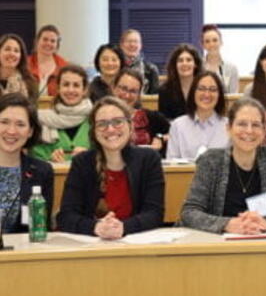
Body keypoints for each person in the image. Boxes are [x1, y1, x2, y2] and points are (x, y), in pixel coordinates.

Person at [179, 98, 266, 234]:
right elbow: (189, 212)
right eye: (242, 124)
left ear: (264, 130)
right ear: (229, 128)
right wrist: (227, 224)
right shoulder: (211, 161)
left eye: (256, 125)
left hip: (264, 243)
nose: (249, 131)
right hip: (219, 245)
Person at [56, 96, 165, 238]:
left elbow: (154, 214)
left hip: (135, 247)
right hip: (91, 248)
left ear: (130, 126)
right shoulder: (81, 163)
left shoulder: (149, 159)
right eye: (102, 124)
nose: (110, 129)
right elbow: (66, 216)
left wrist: (123, 227)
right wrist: (97, 227)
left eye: (117, 122)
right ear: (94, 131)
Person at [0, 93, 53, 233]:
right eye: (4, 122)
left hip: (22, 252)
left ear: (30, 131)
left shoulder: (42, 171)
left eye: (20, 124)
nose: (11, 131)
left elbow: (41, 228)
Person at [32, 65, 93, 162]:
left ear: (84, 90)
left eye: (76, 85)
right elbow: (35, 156)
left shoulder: (94, 120)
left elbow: (104, 154)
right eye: (66, 84)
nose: (70, 90)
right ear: (58, 88)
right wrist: (50, 158)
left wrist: (89, 155)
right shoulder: (43, 120)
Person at [166, 71, 228, 161]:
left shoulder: (229, 126)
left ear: (219, 95)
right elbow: (171, 165)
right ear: (193, 92)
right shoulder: (178, 126)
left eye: (213, 89)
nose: (207, 94)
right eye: (201, 89)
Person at [112, 69, 169, 153]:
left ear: (138, 95)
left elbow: (177, 133)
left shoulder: (151, 117)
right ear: (114, 88)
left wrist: (160, 138)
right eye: (123, 88)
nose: (127, 95)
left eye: (133, 91)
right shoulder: (100, 117)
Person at [158, 43, 203, 120]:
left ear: (195, 64)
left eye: (188, 60)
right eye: (180, 60)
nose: (184, 63)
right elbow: (165, 121)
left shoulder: (204, 88)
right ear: (175, 65)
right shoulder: (165, 90)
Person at [27, 24, 68, 97]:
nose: (48, 43)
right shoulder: (25, 64)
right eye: (45, 39)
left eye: (52, 41)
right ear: (37, 41)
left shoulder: (65, 67)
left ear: (57, 45)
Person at [119, 29, 160, 94]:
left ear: (140, 45)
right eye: (129, 41)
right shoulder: (115, 67)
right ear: (121, 45)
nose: (132, 45)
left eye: (136, 42)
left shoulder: (151, 70)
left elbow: (154, 98)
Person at [202, 24, 239, 93]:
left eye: (215, 40)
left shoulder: (232, 68)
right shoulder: (197, 66)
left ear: (221, 42)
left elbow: (233, 97)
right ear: (203, 45)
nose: (211, 44)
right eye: (207, 41)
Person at [0, 33, 38, 101]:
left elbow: (32, 110)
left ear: (21, 56)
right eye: (7, 49)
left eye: (16, 51)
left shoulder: (30, 84)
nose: (12, 53)